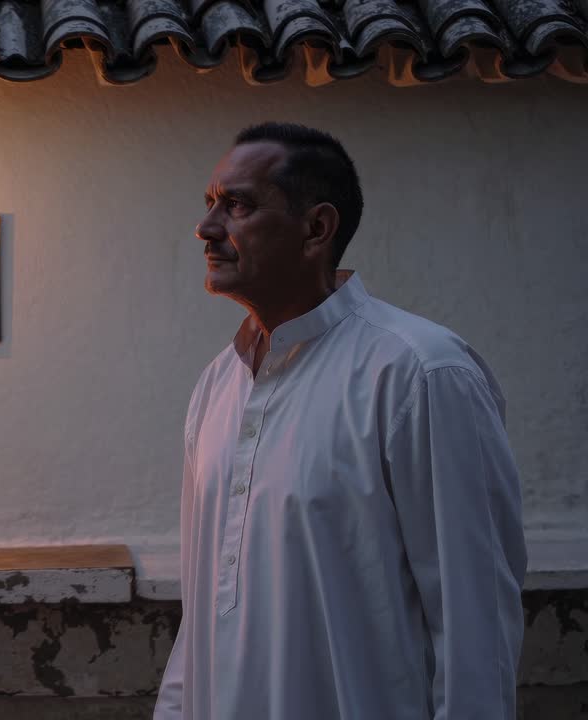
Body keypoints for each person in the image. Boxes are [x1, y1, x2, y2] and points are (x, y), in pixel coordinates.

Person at [155, 122, 526, 720]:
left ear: (316, 229)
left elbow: (473, 622)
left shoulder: (420, 374)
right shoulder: (217, 386)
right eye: (210, 204)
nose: (207, 228)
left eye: (238, 205)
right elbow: (202, 616)